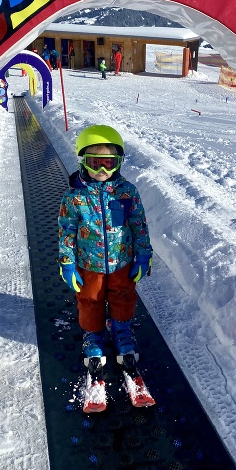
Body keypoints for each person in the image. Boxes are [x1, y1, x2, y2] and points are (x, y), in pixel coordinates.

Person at [58, 125, 152, 362]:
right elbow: (66, 231)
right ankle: (93, 333)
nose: (101, 169)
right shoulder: (74, 197)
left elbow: (139, 225)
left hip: (122, 260)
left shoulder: (127, 192)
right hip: (90, 263)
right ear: (83, 161)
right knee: (90, 299)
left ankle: (121, 328)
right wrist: (67, 263)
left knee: (123, 295)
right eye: (94, 162)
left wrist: (143, 255)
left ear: (118, 163)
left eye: (108, 163)